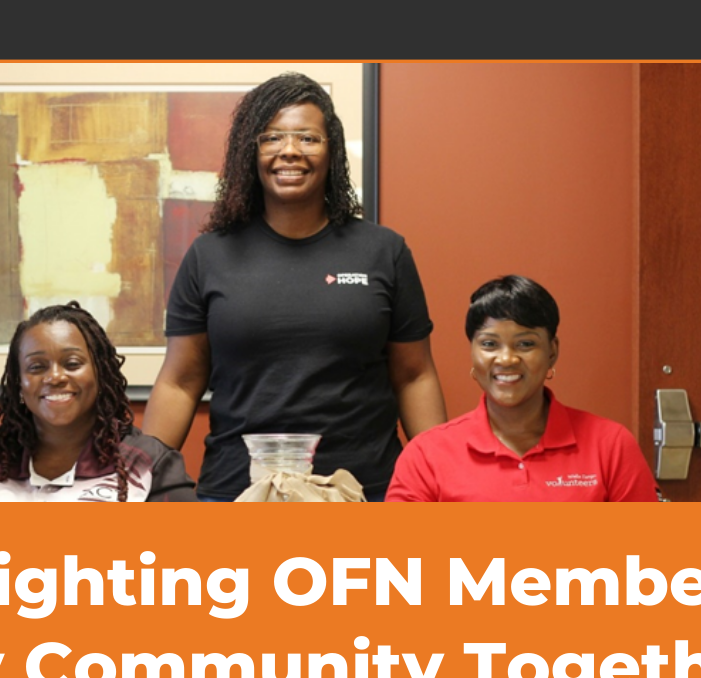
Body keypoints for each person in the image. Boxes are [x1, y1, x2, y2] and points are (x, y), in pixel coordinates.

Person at [143, 71, 447, 502]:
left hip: (363, 493)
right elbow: (181, 381)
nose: (290, 151)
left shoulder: (383, 252)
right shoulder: (209, 256)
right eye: (272, 138)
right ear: (252, 151)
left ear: (331, 151)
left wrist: (439, 477)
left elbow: (414, 375)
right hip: (238, 494)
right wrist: (136, 479)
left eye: (308, 138)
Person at [386, 275, 659, 502]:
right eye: (489, 344)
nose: (507, 359)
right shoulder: (426, 455)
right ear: (472, 352)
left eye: (526, 344)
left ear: (552, 352)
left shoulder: (610, 445)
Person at [0, 302, 197, 502]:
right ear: (19, 382)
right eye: (36, 367)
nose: (54, 377)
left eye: (72, 363)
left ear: (100, 372)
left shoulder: (150, 464)